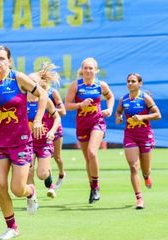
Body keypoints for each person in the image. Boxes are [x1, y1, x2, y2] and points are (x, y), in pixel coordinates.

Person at [0, 45, 47, 240]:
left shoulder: (19, 78)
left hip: (21, 141)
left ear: (9, 61)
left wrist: (39, 120)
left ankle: (31, 191)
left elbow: (43, 95)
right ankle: (12, 227)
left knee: (17, 189)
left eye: (2, 58)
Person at [64, 57, 114, 204]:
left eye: (91, 68)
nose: (88, 70)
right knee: (88, 158)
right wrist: (80, 105)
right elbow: (66, 105)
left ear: (96, 70)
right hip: (82, 124)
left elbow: (110, 96)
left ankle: (96, 186)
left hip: (97, 122)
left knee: (92, 152)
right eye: (85, 68)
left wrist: (110, 109)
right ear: (82, 70)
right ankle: (92, 187)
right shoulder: (76, 85)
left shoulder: (101, 85)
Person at [115, 73, 161, 209]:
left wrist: (142, 117)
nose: (130, 83)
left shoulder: (145, 98)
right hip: (130, 136)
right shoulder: (123, 100)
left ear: (140, 83)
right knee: (134, 166)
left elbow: (158, 114)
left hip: (145, 135)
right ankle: (139, 198)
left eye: (133, 81)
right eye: (128, 81)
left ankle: (146, 177)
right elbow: (118, 113)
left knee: (145, 170)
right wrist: (118, 117)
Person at [27, 63, 62, 201]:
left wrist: (52, 131)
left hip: (44, 142)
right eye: (28, 82)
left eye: (33, 82)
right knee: (28, 172)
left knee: (41, 174)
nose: (30, 85)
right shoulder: (21, 101)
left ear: (39, 84)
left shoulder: (45, 99)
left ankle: (49, 180)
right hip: (27, 142)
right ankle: (32, 199)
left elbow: (57, 117)